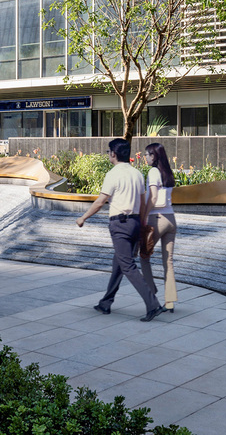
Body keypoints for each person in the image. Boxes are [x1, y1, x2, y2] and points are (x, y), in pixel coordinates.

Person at [75, 138, 164, 322]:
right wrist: (141, 228)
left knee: (128, 266)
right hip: (134, 223)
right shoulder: (137, 174)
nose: (108, 155)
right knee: (120, 263)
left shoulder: (113, 174)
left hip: (120, 225)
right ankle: (106, 302)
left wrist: (83, 217)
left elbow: (101, 201)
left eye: (109, 152)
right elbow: (141, 201)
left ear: (113, 154)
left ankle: (153, 304)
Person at [140, 141, 178, 312]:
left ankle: (152, 293)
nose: (145, 158)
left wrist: (144, 217)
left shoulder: (153, 172)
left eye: (147, 155)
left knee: (143, 255)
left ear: (153, 156)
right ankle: (169, 302)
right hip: (171, 219)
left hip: (157, 218)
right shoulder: (167, 172)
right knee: (168, 262)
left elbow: (153, 198)